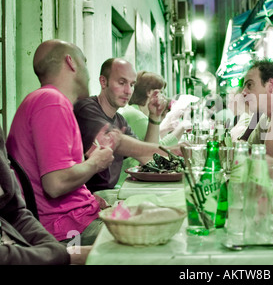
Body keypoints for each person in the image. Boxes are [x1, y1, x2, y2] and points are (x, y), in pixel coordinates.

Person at [6, 39, 115, 245]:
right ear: (71, 62)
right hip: (67, 231)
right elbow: (55, 184)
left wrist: (87, 160)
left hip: (73, 220)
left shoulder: (43, 100)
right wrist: (95, 164)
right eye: (84, 61)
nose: (88, 72)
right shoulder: (51, 101)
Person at [74, 58, 182, 193]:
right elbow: (115, 141)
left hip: (107, 194)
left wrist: (154, 118)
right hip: (89, 198)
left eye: (132, 85)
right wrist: (170, 150)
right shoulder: (87, 108)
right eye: (122, 83)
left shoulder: (120, 120)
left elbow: (147, 158)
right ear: (103, 81)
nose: (128, 91)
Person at [0, 125, 91, 264]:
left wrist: (54, 250)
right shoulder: (52, 106)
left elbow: (15, 212)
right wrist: (66, 255)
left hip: (35, 246)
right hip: (64, 228)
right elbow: (55, 185)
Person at [118, 71, 190, 186]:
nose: (164, 96)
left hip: (135, 178)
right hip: (126, 182)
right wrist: (181, 128)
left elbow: (152, 144)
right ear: (150, 92)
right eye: (161, 92)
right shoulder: (136, 116)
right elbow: (156, 152)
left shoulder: (135, 111)